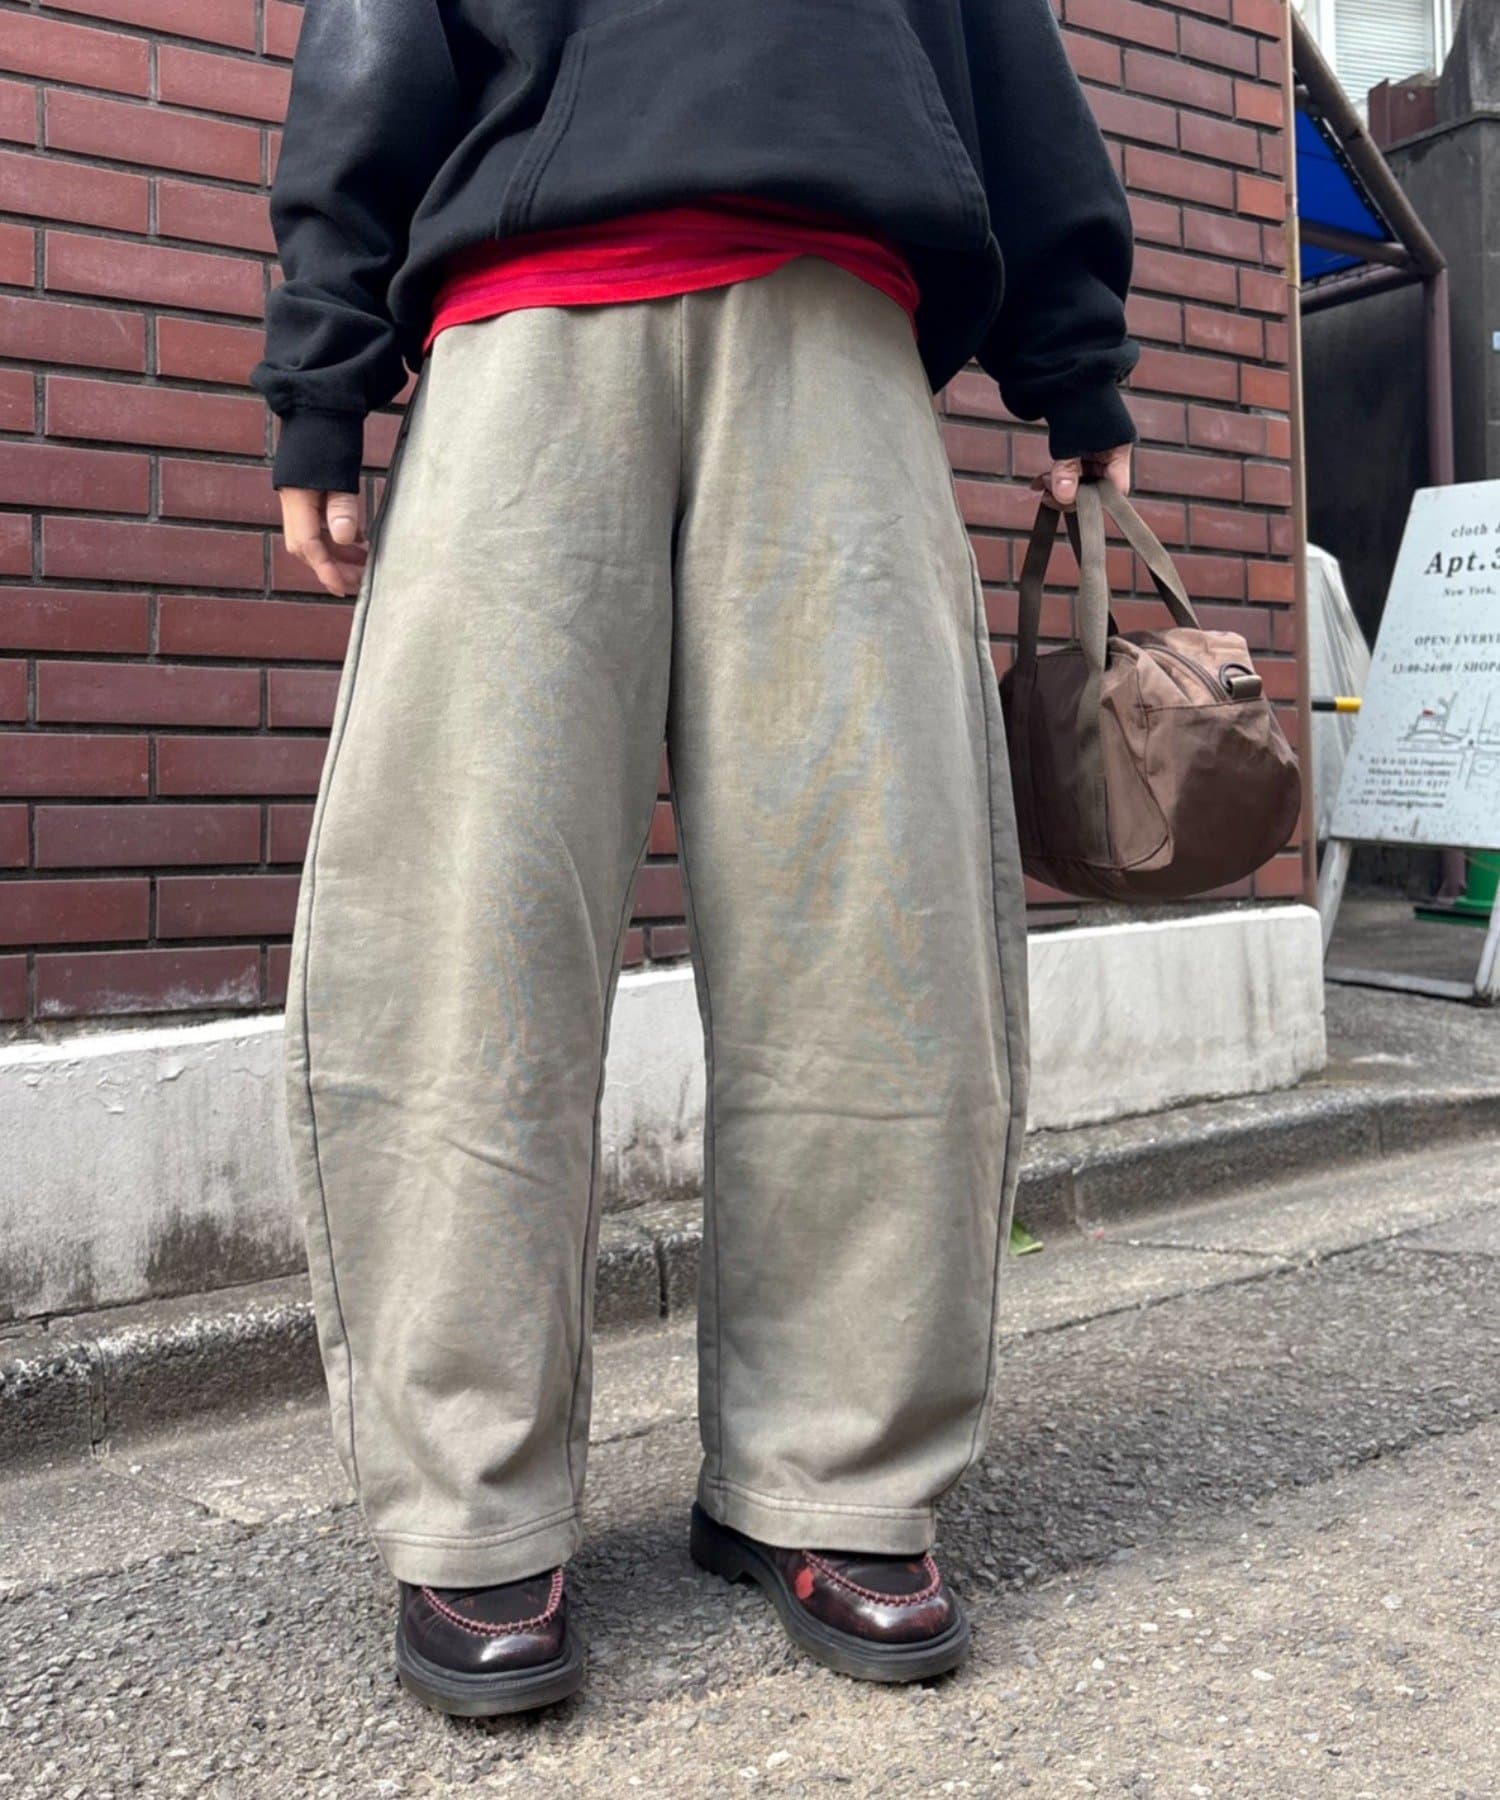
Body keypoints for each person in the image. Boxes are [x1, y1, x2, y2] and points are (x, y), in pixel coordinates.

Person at [251, 0, 1138, 1718]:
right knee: (464, 924)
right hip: (520, 326)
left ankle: (833, 1470)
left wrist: (1074, 350)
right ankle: (472, 1494)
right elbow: (376, 43)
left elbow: (1003, 56)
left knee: (873, 925)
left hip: (839, 318)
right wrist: (322, 375)